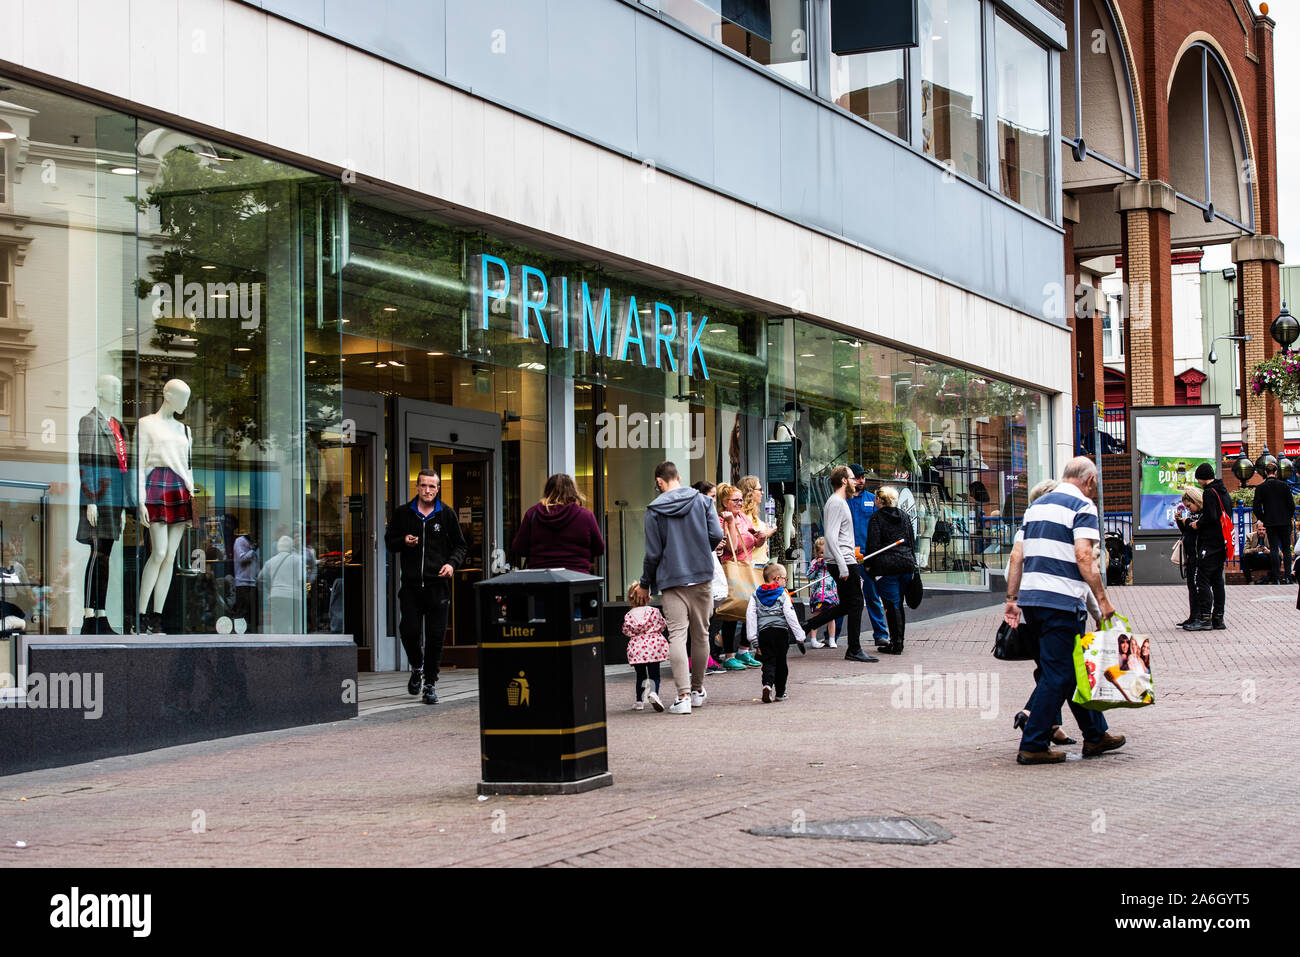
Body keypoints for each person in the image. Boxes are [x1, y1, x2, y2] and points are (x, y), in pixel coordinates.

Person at [1004, 456, 1124, 764]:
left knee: (1070, 669)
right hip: (1062, 601)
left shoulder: (1036, 507)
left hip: (1033, 600)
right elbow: (1085, 557)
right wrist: (1103, 601)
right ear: (1090, 481)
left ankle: (1096, 735)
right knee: (1059, 674)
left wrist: (1012, 599)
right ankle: (1033, 743)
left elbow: (1017, 556)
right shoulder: (1083, 507)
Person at [627, 461, 724, 715]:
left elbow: (653, 553)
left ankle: (682, 696)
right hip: (702, 576)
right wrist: (702, 551)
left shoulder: (654, 510)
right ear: (678, 477)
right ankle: (697, 689)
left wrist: (645, 583)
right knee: (701, 634)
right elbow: (716, 534)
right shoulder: (703, 502)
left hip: (672, 580)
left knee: (677, 636)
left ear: (660, 482)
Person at [384, 469, 467, 704]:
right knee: (408, 630)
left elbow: (460, 546)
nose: (427, 490)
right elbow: (389, 541)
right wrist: (404, 541)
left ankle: (430, 684)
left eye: (432, 486)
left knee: (435, 637)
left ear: (438, 489)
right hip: (411, 586)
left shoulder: (446, 515)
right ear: (417, 487)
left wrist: (452, 565)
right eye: (423, 486)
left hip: (437, 586)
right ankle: (417, 665)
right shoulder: (403, 514)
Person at [801, 466, 877, 662]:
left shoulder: (839, 502)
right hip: (841, 560)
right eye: (852, 479)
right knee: (857, 603)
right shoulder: (836, 503)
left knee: (846, 605)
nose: (855, 482)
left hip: (843, 559)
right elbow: (831, 538)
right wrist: (844, 566)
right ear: (844, 481)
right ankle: (854, 648)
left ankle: (804, 628)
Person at [510, 473, 605, 573]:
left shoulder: (532, 514)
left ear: (547, 491)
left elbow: (518, 548)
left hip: (541, 578)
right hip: (577, 578)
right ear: (573, 491)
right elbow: (599, 548)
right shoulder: (586, 516)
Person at [863, 485, 917, 655]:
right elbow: (911, 540)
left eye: (876, 498)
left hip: (887, 567)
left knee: (891, 604)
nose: (875, 501)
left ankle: (896, 643)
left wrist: (868, 565)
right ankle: (898, 640)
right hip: (906, 564)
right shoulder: (905, 516)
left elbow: (872, 544)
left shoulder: (876, 518)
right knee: (898, 603)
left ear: (880, 500)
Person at [715, 483, 761, 670]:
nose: (740, 503)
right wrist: (731, 523)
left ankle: (744, 651)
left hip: (746, 567)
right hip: (731, 570)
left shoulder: (743, 517)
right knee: (732, 611)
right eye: (736, 500)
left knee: (750, 611)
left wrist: (761, 537)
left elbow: (753, 542)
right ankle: (729, 655)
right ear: (725, 502)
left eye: (741, 499)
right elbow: (732, 547)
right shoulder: (721, 520)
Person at [745, 562, 806, 703]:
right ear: (777, 578)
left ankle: (767, 684)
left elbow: (751, 616)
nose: (786, 581)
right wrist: (799, 636)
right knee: (781, 662)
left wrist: (752, 637)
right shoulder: (782, 594)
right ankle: (780, 692)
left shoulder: (755, 595)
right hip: (781, 633)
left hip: (765, 633)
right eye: (785, 578)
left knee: (768, 661)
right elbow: (790, 616)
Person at [846, 465, 891, 651]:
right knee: (844, 597)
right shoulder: (843, 501)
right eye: (857, 477)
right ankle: (831, 636)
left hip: (867, 556)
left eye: (863, 477)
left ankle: (881, 634)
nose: (861, 480)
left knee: (872, 596)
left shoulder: (872, 501)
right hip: (847, 555)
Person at [1187, 463, 1230, 631]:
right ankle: (1218, 618)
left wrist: (1199, 523)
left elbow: (1211, 516)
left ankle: (1205, 618)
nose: (1198, 482)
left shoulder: (1209, 493)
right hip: (1222, 543)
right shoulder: (1223, 491)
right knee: (1218, 581)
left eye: (1198, 478)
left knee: (1202, 579)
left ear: (1201, 477)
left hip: (1211, 543)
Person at [623, 586, 668, 712]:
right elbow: (662, 625)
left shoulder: (629, 615)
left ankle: (639, 701)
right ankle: (654, 694)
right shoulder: (654, 611)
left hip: (637, 649)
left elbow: (626, 630)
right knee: (655, 675)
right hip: (653, 648)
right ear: (648, 597)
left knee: (640, 676)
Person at [1252, 462, 1296, 585]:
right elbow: (1291, 505)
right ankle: (1287, 577)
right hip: (1284, 522)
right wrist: (1288, 516)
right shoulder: (1284, 486)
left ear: (1266, 472)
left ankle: (1276, 577)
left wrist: (1264, 518)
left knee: (1274, 549)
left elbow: (1256, 508)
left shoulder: (1261, 488)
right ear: (1276, 472)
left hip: (1270, 522)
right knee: (1287, 549)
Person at [257, 535, 302, 633]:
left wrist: (269, 591)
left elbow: (260, 578)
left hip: (276, 596)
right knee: (295, 626)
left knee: (279, 626)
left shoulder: (270, 562)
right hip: (293, 597)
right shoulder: (297, 560)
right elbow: (302, 579)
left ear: (278, 547)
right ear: (290, 546)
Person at [806, 536, 842, 649]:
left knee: (831, 617)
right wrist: (817, 566)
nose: (824, 556)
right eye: (821, 553)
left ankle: (832, 639)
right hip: (818, 595)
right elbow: (809, 576)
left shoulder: (833, 563)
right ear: (817, 553)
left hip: (830, 594)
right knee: (816, 616)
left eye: (826, 553)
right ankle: (813, 640)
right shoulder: (814, 563)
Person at [1174, 488, 1203, 624]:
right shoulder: (1193, 516)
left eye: (1189, 506)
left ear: (1196, 501)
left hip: (1198, 556)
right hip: (1191, 556)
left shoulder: (1202, 516)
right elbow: (1187, 531)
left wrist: (1187, 523)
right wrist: (1180, 521)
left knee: (1197, 587)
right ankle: (1193, 616)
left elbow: (1194, 530)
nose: (1189, 509)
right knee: (1191, 586)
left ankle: (1199, 616)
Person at [232, 526, 260, 631]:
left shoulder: (257, 545)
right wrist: (253, 550)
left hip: (254, 582)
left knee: (252, 612)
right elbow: (242, 559)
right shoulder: (240, 541)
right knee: (242, 611)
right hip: (242, 582)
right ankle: (239, 633)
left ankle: (251, 633)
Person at [1240, 519, 1272, 585]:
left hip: (1267, 560)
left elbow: (1279, 552)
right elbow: (1245, 551)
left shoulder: (1271, 536)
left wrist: (1269, 551)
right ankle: (1250, 581)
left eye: (1263, 530)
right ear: (1256, 529)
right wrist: (1254, 550)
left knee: (1277, 557)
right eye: (1260, 529)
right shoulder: (1250, 536)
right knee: (1244, 557)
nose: (1261, 532)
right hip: (1255, 560)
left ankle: (1271, 579)